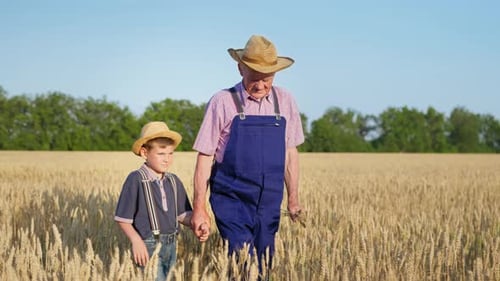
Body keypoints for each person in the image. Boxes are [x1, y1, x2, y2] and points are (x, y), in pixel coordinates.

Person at [191, 34, 304, 279]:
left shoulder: (285, 100)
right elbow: (205, 156)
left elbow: (290, 154)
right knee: (242, 259)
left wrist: (293, 198)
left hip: (269, 200)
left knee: (264, 263)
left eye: (268, 78)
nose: (261, 85)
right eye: (254, 77)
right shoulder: (222, 101)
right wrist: (199, 207)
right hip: (232, 196)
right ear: (240, 67)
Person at [114, 121, 208, 281]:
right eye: (161, 154)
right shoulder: (136, 179)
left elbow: (181, 214)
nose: (167, 159)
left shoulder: (173, 181)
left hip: (171, 244)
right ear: (144, 153)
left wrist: (197, 223)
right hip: (148, 245)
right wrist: (136, 241)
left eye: (170, 154)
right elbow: (123, 219)